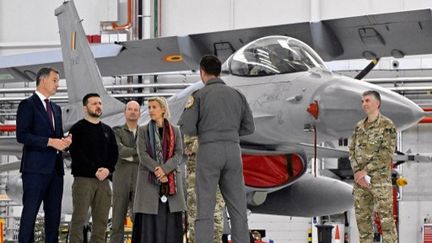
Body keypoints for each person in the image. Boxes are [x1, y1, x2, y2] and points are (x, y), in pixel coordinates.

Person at [178, 55, 255, 243]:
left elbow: (187, 127)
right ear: (219, 71)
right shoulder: (237, 95)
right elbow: (249, 127)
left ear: (202, 72)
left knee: (205, 205)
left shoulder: (199, 96)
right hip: (233, 150)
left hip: (209, 150)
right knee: (237, 206)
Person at [16, 67, 72, 243]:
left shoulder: (56, 109)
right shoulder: (27, 105)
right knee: (30, 215)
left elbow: (56, 137)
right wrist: (49, 142)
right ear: (43, 80)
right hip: (34, 170)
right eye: (55, 80)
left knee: (54, 217)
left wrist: (64, 142)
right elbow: (22, 135)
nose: (58, 84)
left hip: (56, 171)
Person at [132, 97, 186, 243]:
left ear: (163, 109)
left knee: (170, 221)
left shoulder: (176, 130)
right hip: (149, 184)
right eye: (149, 107)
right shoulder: (142, 130)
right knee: (149, 223)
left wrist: (165, 170)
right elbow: (142, 155)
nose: (150, 110)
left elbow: (178, 153)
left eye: (154, 107)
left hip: (170, 182)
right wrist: (158, 170)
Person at [348, 90, 398, 243]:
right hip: (361, 184)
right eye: (362, 101)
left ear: (377, 103)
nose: (364, 104)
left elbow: (386, 153)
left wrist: (365, 171)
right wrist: (357, 172)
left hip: (380, 183)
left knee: (387, 224)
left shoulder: (387, 125)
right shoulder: (359, 126)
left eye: (367, 100)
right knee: (363, 226)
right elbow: (351, 151)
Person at [68, 93, 118, 243]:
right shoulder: (77, 129)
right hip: (84, 180)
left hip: (104, 182)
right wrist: (94, 171)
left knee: (101, 221)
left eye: (100, 103)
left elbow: (114, 153)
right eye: (94, 103)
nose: (98, 106)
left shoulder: (108, 130)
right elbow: (76, 154)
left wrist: (108, 170)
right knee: (79, 219)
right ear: (85, 108)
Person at [184, 135, 225, 243]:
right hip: (196, 180)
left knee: (217, 222)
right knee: (195, 222)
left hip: (215, 178)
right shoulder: (191, 122)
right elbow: (190, 144)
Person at [110, 100, 141, 243]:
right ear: (125, 112)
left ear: (139, 113)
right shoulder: (116, 131)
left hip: (140, 181)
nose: (133, 112)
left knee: (139, 220)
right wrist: (138, 154)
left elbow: (149, 154)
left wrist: (132, 155)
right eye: (130, 109)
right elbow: (119, 151)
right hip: (121, 180)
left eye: (136, 109)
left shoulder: (145, 133)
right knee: (117, 220)